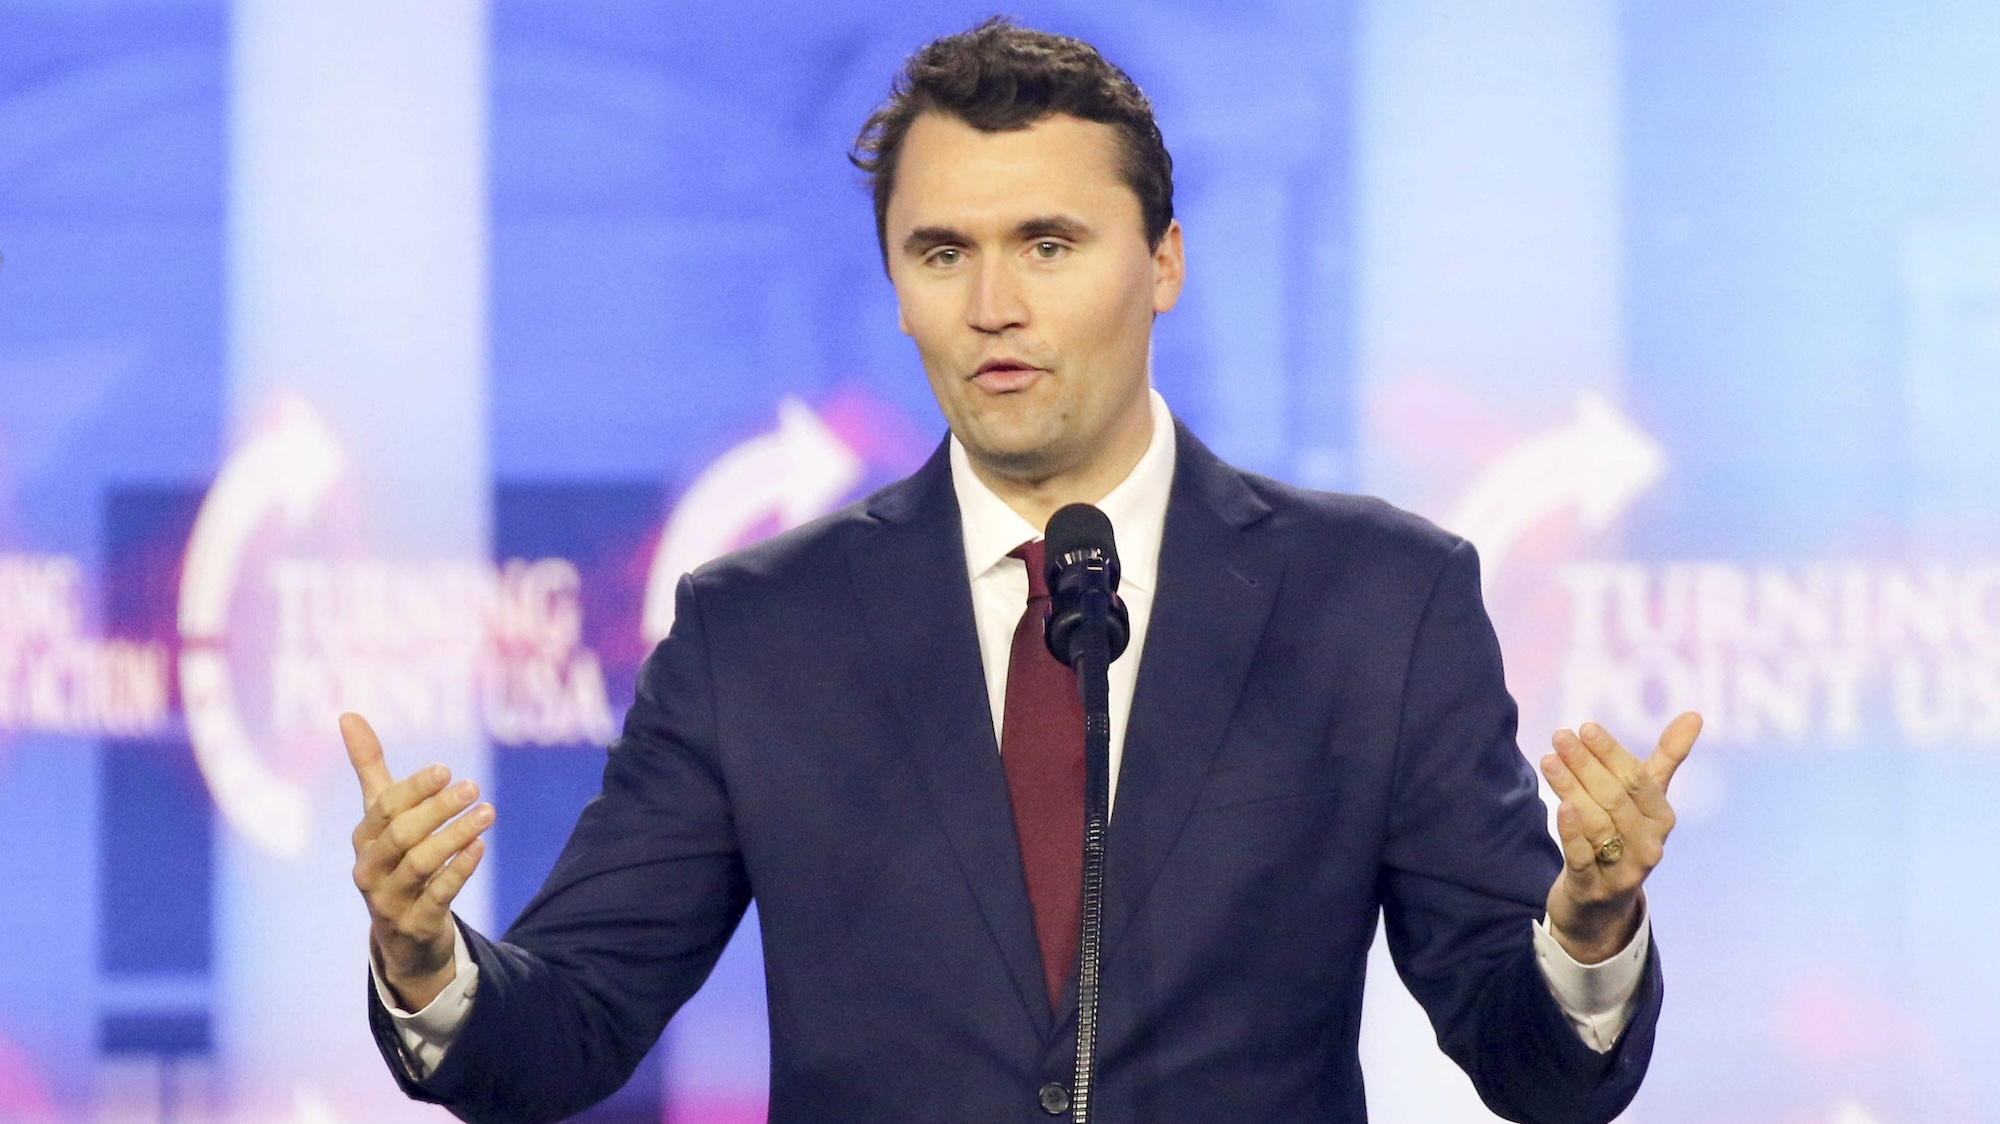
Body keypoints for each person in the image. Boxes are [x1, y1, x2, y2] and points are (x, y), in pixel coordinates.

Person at [346, 18, 1699, 1124]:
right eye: (944, 253)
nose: (994, 306)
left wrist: (1587, 930)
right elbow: (570, 1027)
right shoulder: (755, 633)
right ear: (897, 286)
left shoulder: (1377, 603)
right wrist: (427, 963)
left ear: (1162, 264)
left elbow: (1534, 1068)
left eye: (1048, 246)